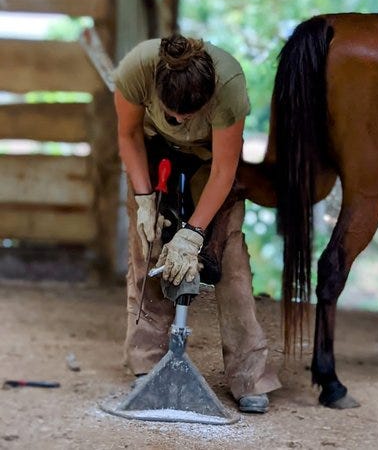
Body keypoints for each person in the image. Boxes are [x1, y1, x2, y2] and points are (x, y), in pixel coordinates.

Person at [112, 34, 281, 414]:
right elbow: (128, 134)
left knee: (229, 253)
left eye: (189, 115)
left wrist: (193, 234)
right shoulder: (137, 68)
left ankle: (249, 375)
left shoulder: (230, 85)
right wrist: (144, 201)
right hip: (152, 149)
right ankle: (146, 362)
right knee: (148, 246)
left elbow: (224, 169)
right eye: (173, 113)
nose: (181, 121)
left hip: (210, 158)